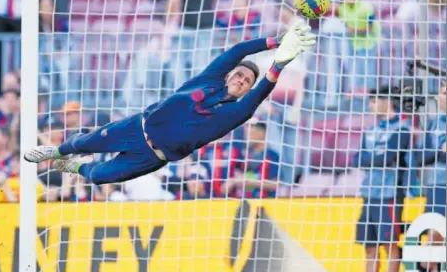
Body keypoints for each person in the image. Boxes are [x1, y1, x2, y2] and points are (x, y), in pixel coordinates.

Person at [24, 22, 316, 185]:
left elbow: (259, 96)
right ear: (230, 73)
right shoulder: (209, 78)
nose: (242, 80)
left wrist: (280, 63)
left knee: (100, 176)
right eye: (240, 74)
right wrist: (276, 41)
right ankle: (55, 151)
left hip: (153, 156)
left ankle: (72, 168)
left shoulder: (235, 112)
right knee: (84, 143)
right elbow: (238, 49)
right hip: (136, 127)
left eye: (247, 82)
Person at [352, 86, 414, 272]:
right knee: (369, 245)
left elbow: (388, 158)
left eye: (373, 100)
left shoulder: (402, 129)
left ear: (387, 101)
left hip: (389, 194)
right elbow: (357, 159)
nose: (370, 105)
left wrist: (373, 159)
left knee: (389, 244)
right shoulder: (371, 130)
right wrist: (375, 160)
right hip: (369, 193)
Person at [417, 82, 446, 272]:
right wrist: (441, 154)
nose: (440, 97)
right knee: (433, 234)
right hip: (437, 186)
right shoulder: (435, 123)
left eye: (444, 93)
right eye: (441, 93)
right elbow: (422, 157)